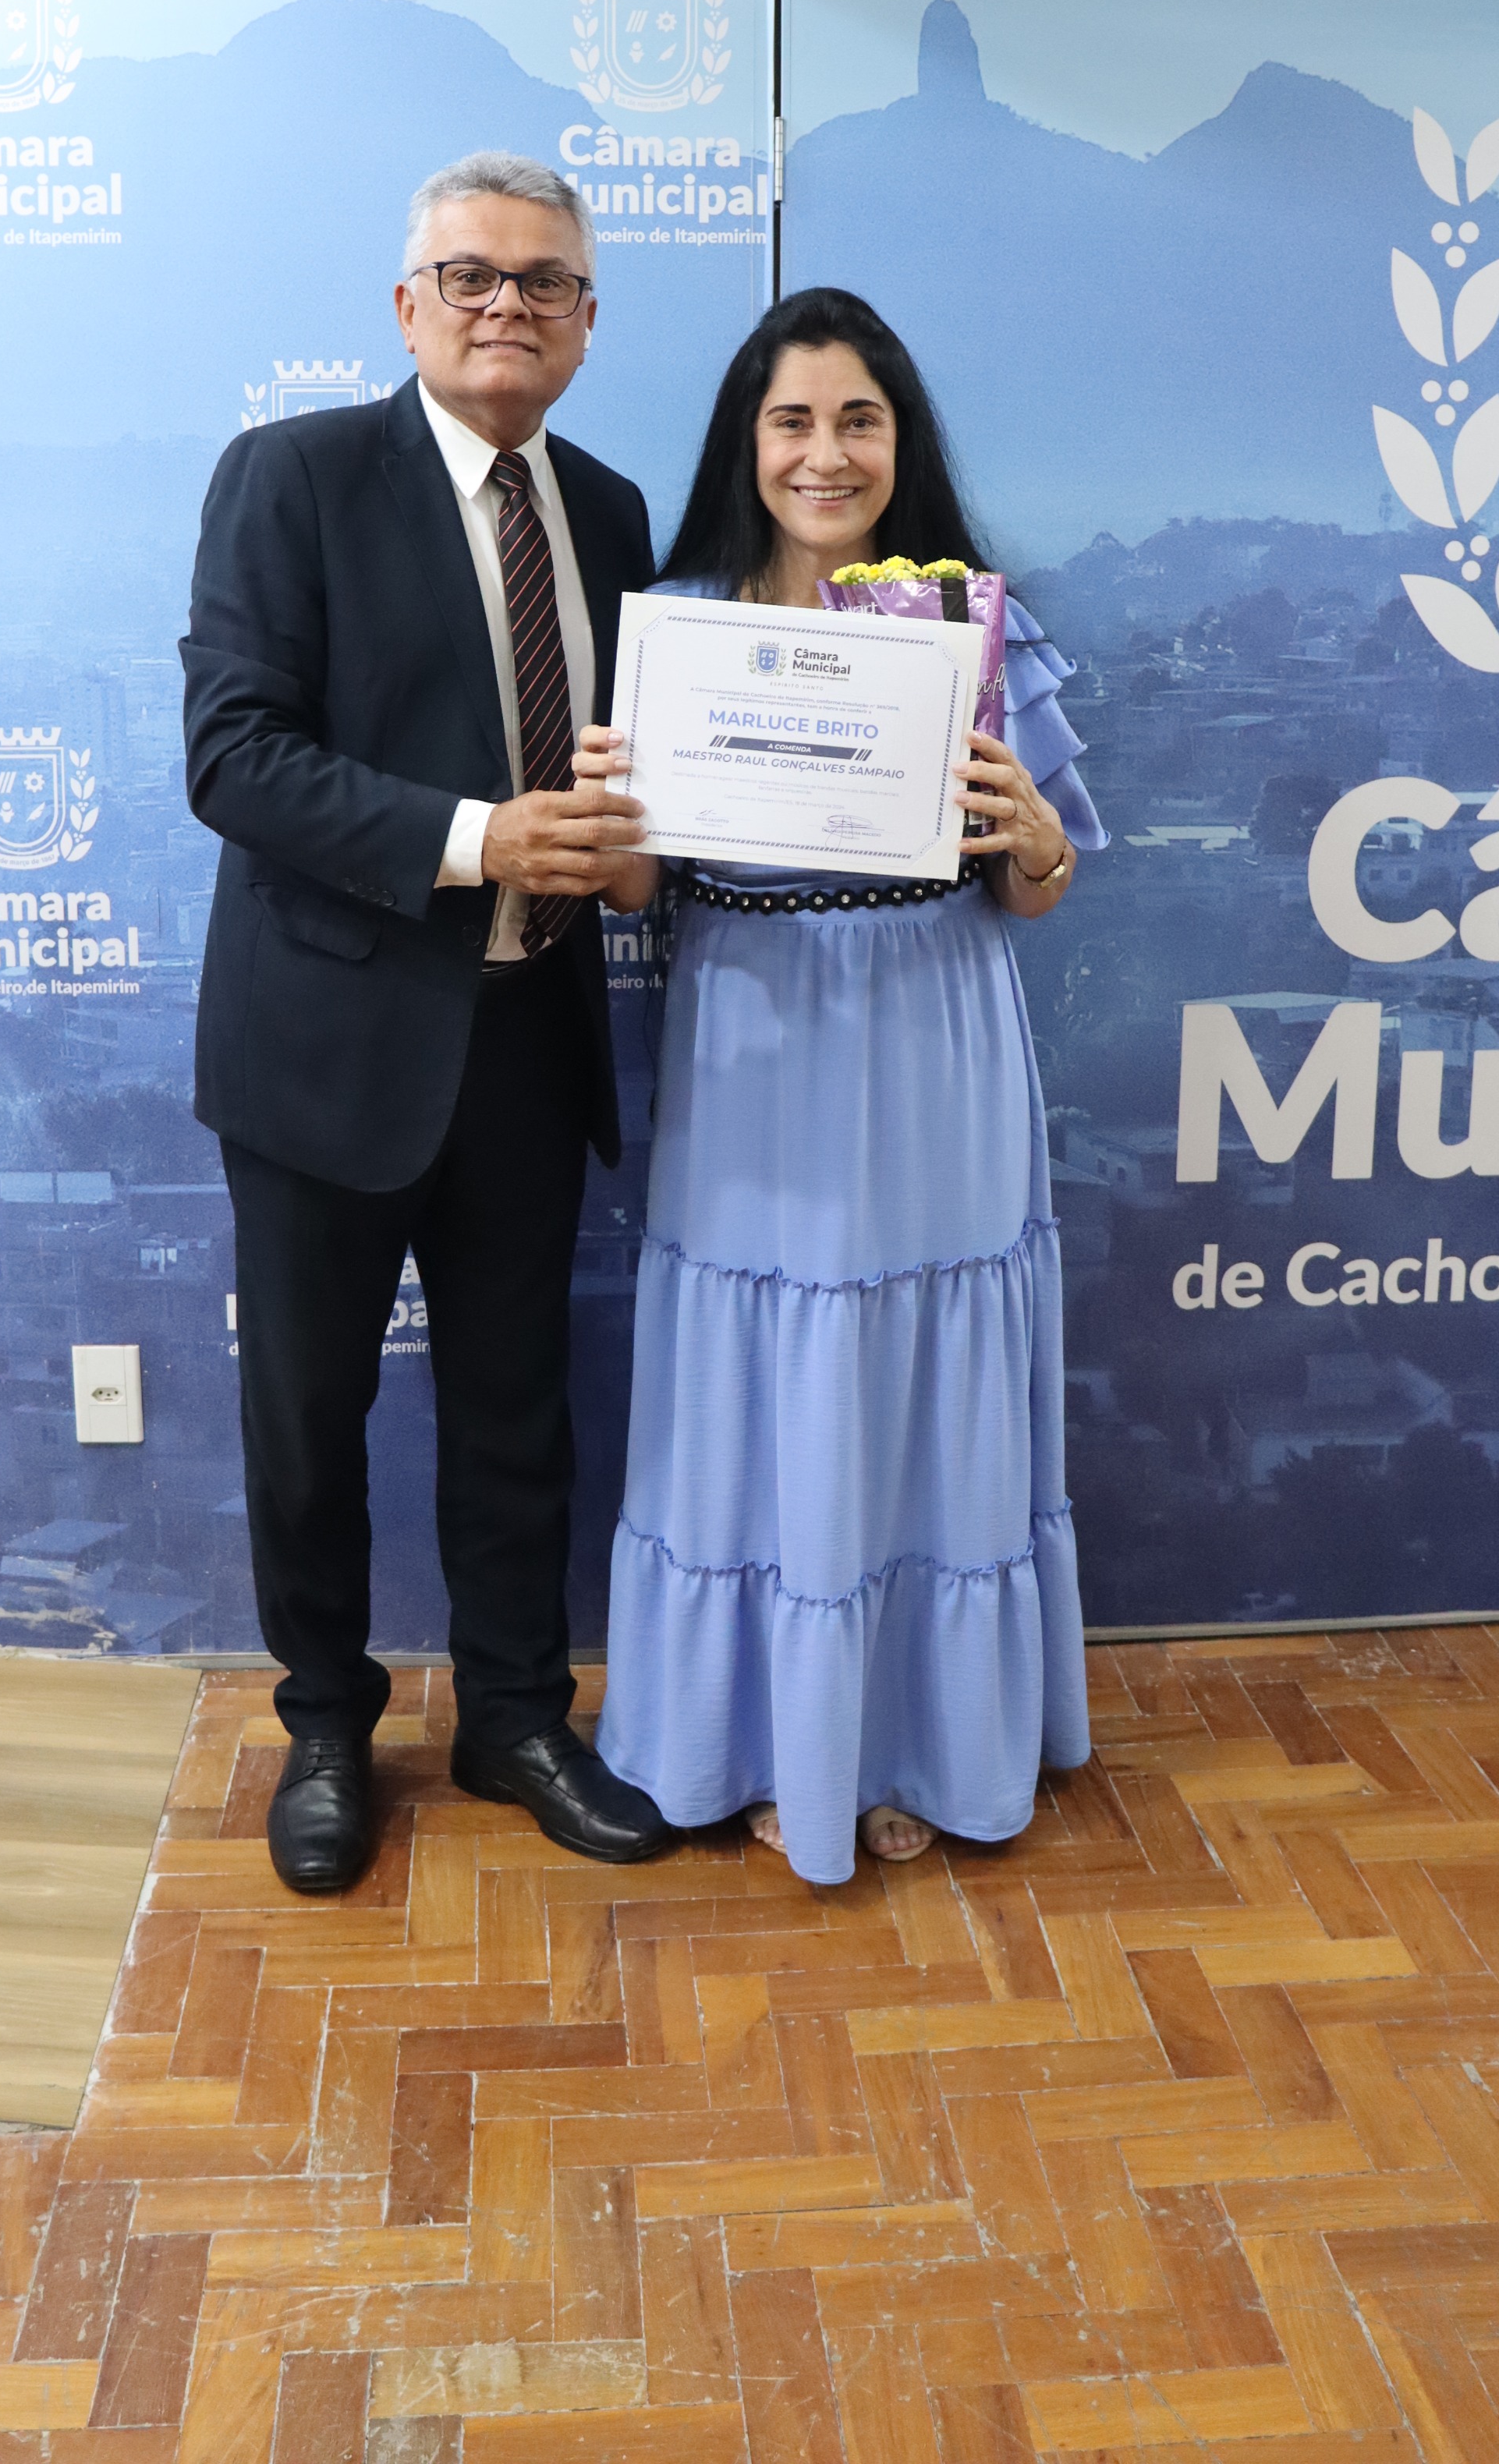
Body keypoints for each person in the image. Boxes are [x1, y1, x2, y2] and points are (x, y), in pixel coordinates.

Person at [182, 150, 673, 1890]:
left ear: (588, 323)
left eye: (544, 281)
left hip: (530, 1037)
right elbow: (234, 757)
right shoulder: (294, 476)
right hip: (326, 1048)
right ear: (408, 306)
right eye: (471, 275)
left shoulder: (610, 512)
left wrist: (640, 848)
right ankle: (325, 1727)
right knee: (308, 1417)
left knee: (518, 1408)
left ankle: (515, 1717)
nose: (505, 306)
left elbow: (641, 772)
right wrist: (482, 840)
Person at [579, 287, 1103, 1884]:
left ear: (899, 441)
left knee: (924, 1381)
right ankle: (761, 1741)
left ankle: (912, 1739)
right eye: (792, 420)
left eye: (857, 420)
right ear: (747, 444)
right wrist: (609, 821)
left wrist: (1035, 837)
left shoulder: (974, 630)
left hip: (937, 1041)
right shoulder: (677, 626)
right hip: (755, 1045)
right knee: (764, 1377)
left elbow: (1037, 892)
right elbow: (634, 892)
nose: (825, 453)